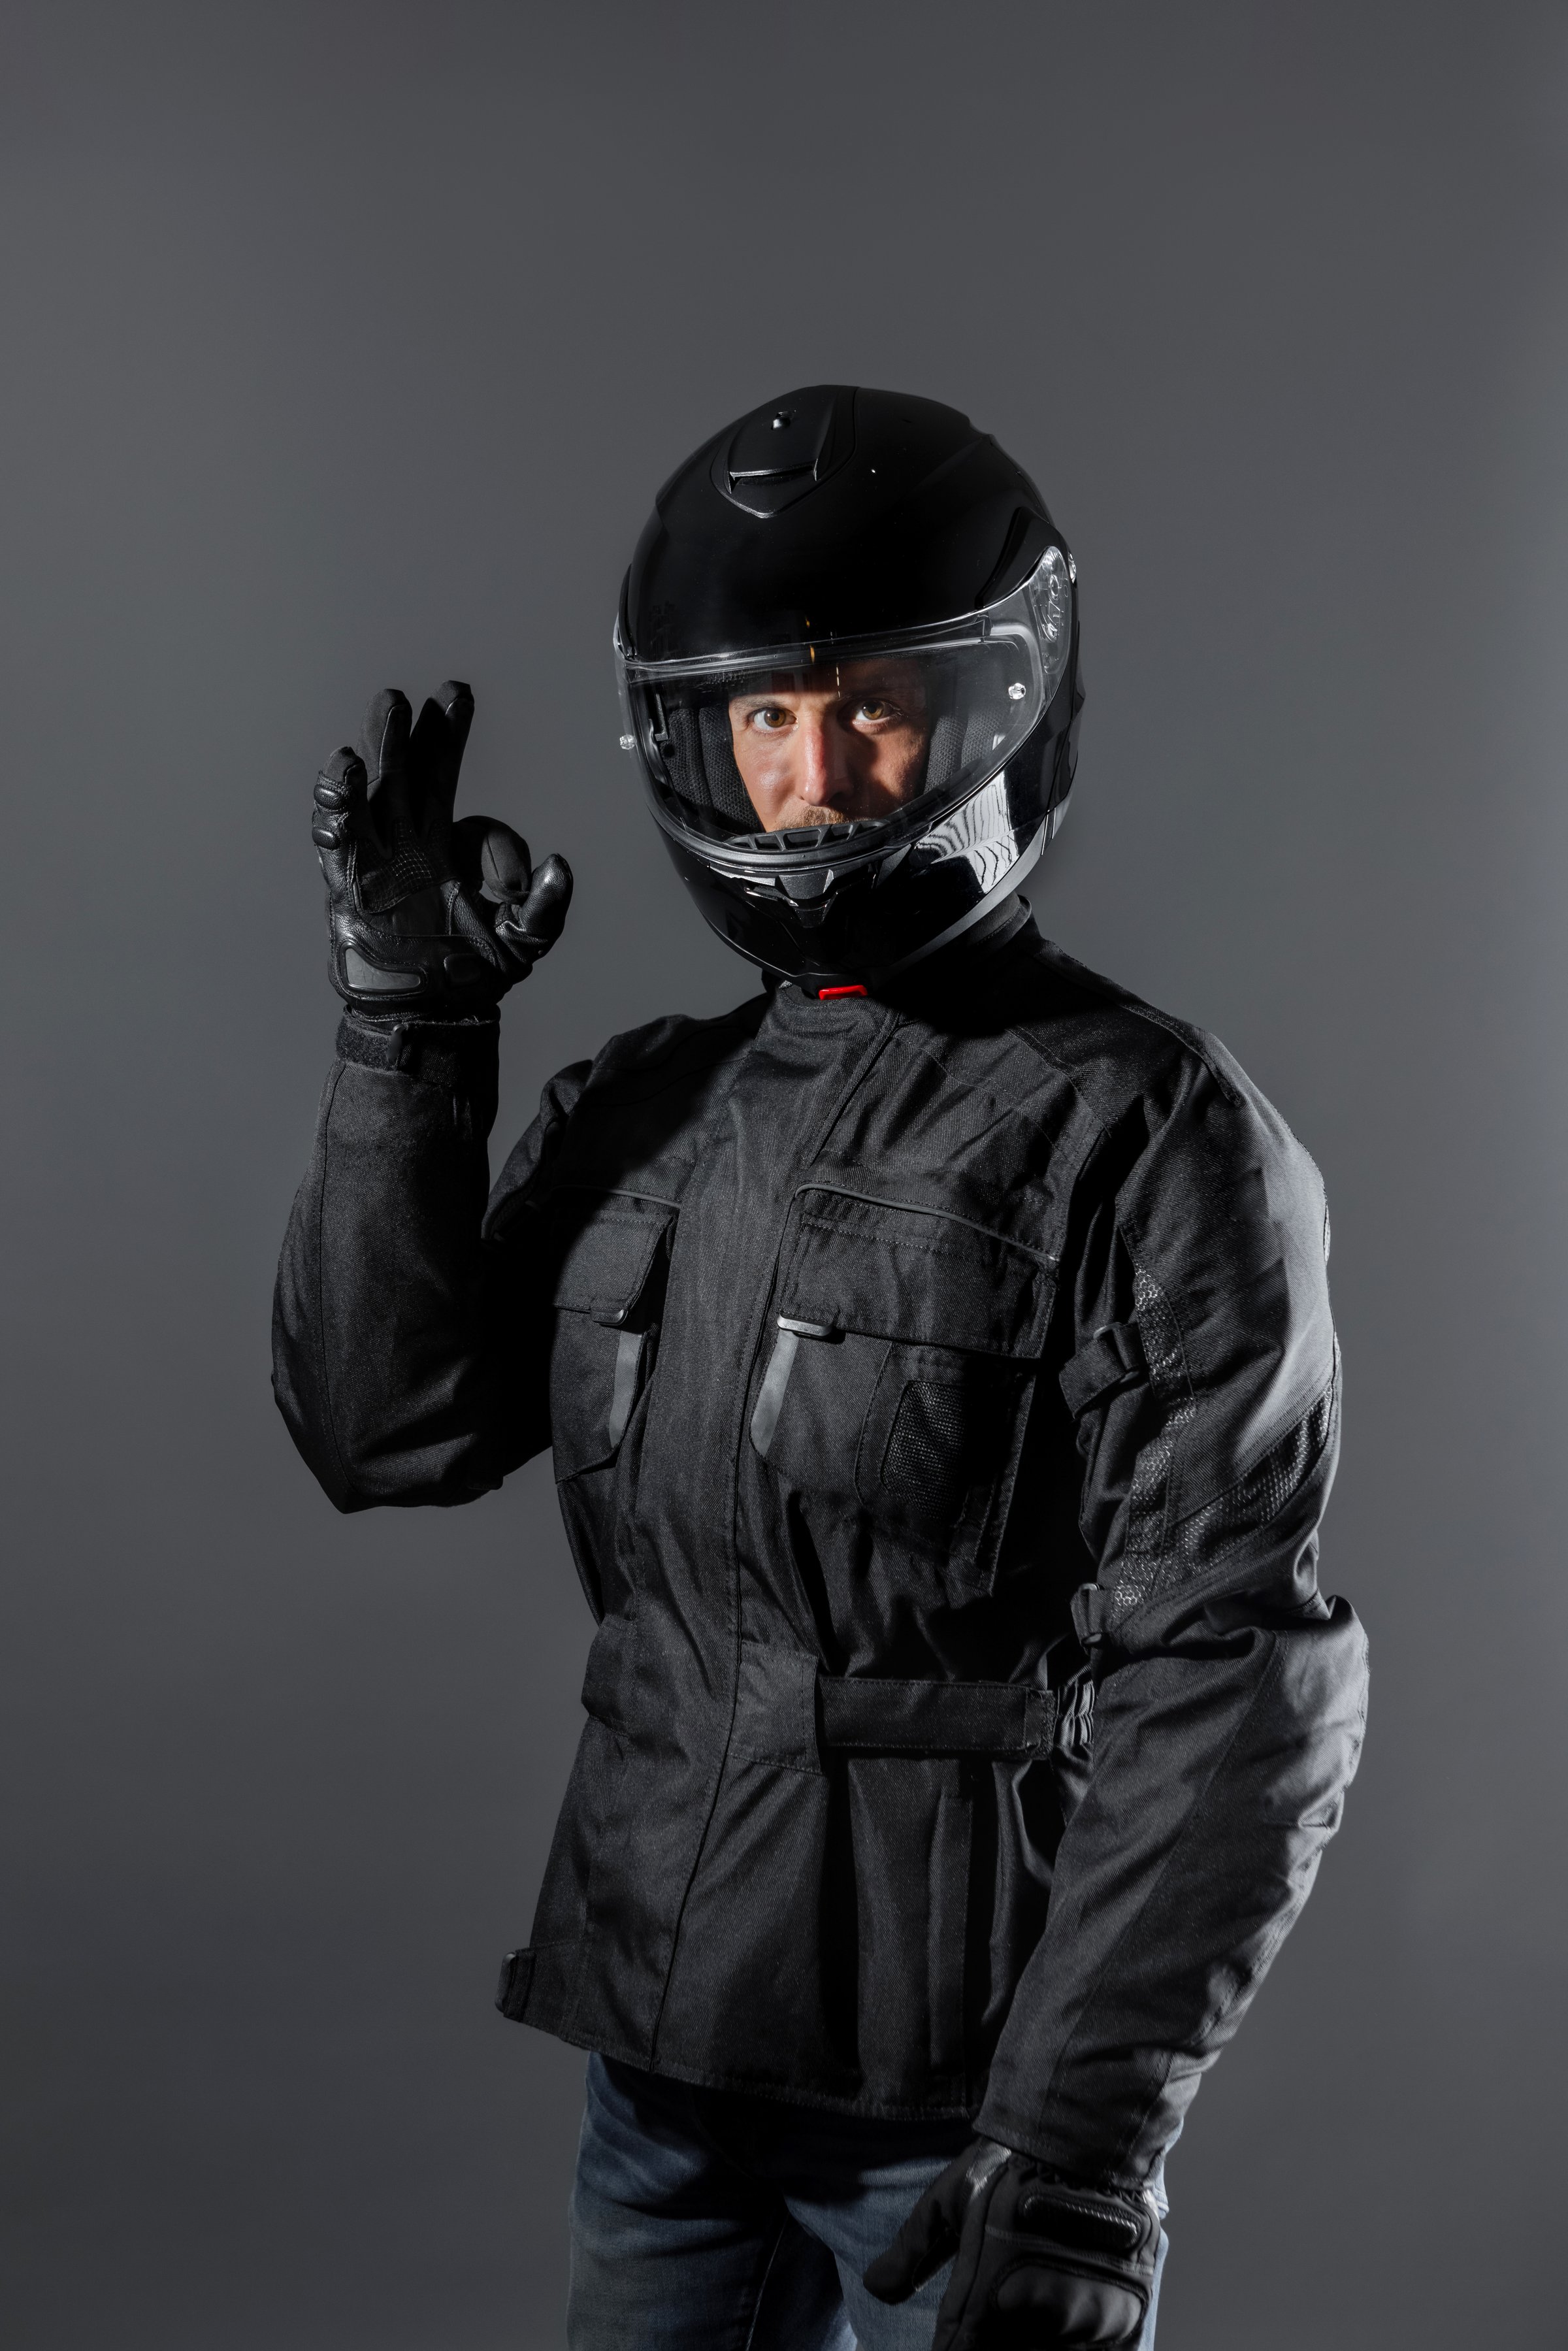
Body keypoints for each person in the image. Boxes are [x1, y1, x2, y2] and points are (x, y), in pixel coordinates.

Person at [273, 385, 1369, 2350]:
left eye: (866, 708)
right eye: (762, 722)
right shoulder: (659, 1103)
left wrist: (1083, 2149)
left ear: (987, 710)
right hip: (660, 2073)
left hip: (956, 2110)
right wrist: (407, 1033)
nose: (808, 780)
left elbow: (1240, 1688)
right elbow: (385, 1427)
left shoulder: (1152, 1135)